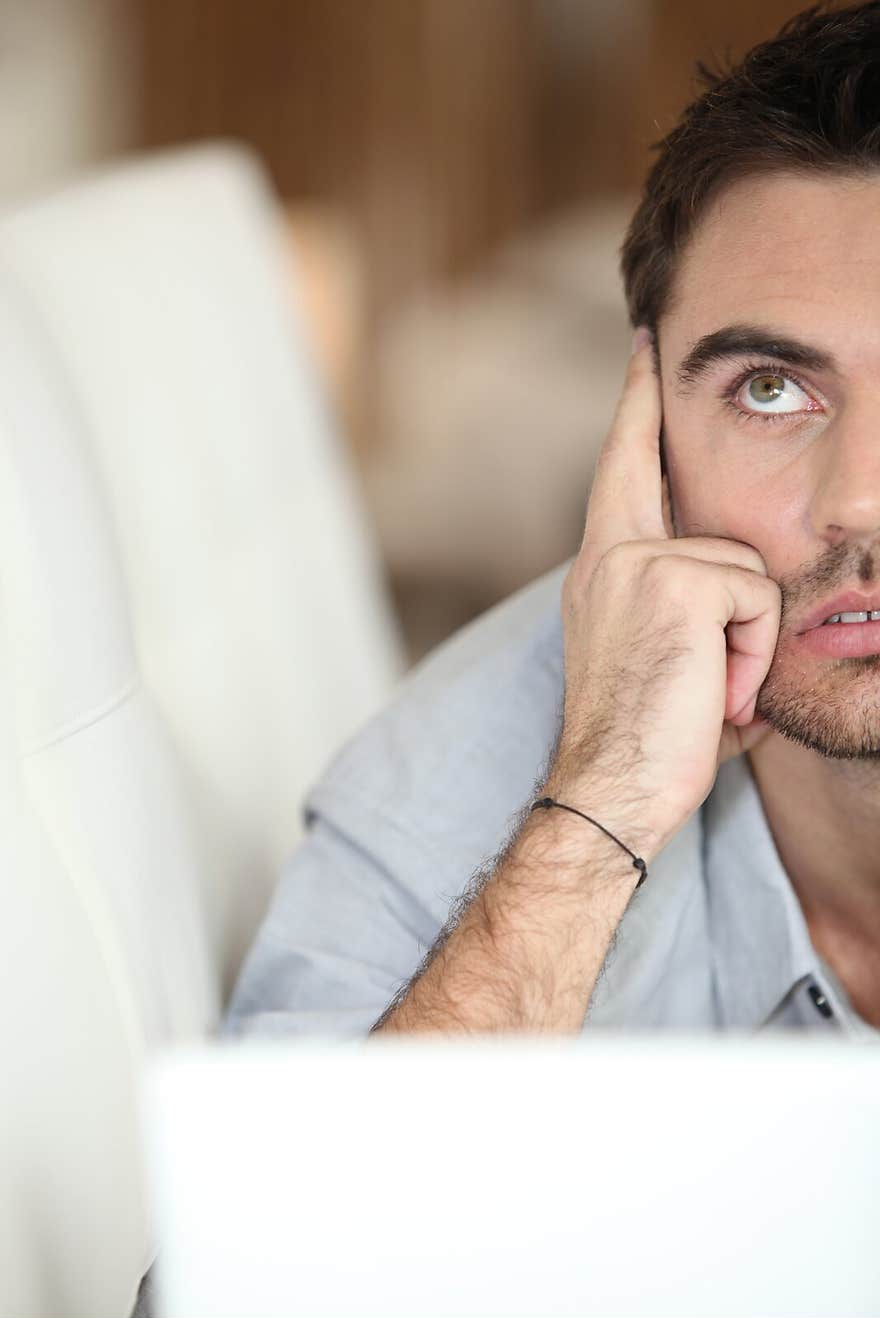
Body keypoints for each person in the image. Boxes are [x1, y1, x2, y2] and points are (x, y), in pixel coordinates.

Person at [224, 0, 880, 1044]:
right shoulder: (453, 777)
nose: (858, 497)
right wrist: (600, 810)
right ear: (645, 427)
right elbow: (316, 1206)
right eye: (767, 390)